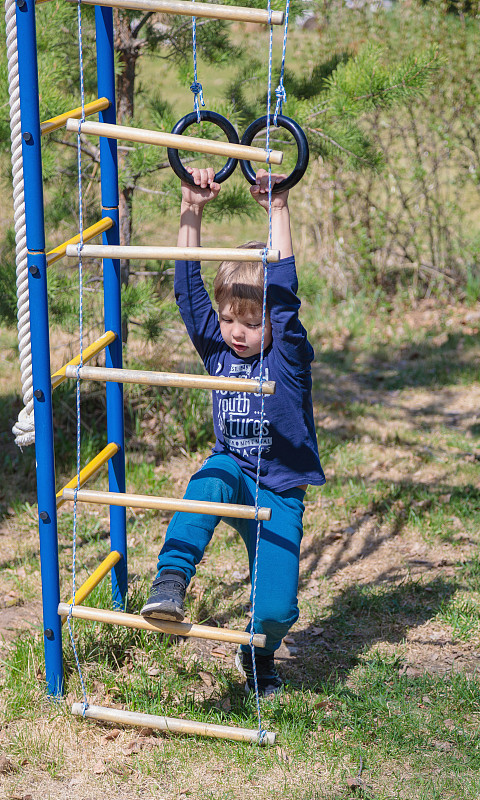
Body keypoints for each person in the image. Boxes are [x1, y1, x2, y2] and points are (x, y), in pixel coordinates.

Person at [141, 166, 325, 696]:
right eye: (227, 319)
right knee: (209, 478)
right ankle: (172, 580)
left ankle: (258, 653)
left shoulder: (288, 357)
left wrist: (279, 210)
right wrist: (190, 209)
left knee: (276, 607)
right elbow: (187, 288)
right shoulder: (217, 347)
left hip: (280, 491)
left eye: (250, 321)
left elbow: (285, 296)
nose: (237, 332)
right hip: (235, 473)